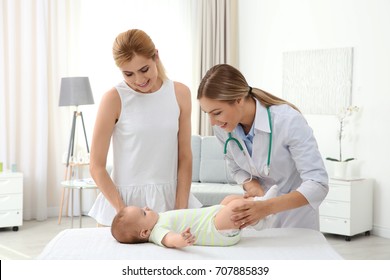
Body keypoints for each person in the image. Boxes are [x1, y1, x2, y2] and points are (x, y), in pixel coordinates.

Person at [88, 29, 201, 226]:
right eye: (128, 74)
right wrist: (123, 212)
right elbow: (96, 166)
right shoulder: (113, 99)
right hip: (123, 206)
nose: (139, 80)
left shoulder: (180, 93)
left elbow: (185, 156)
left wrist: (180, 209)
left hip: (170, 203)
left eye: (144, 69)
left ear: (155, 56)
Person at [197, 64, 329, 230]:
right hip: (259, 217)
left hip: (295, 217)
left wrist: (267, 207)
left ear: (238, 99)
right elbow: (237, 169)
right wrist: (253, 188)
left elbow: (318, 184)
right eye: (207, 113)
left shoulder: (287, 120)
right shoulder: (223, 129)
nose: (212, 122)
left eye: (217, 113)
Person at [111, 185, 279, 247]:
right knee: (235, 207)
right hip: (215, 229)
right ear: (144, 233)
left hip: (212, 216)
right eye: (143, 212)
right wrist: (182, 239)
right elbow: (170, 240)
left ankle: (258, 219)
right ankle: (263, 206)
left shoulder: (158, 219)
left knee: (230, 200)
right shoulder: (157, 232)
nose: (146, 207)